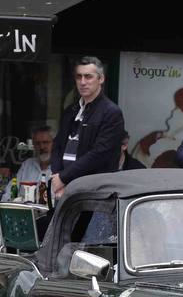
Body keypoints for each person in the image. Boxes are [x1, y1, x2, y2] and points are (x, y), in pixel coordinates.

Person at [50, 56, 126, 201]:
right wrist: (58, 178)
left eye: (88, 77)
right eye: (79, 77)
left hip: (93, 194)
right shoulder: (70, 111)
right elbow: (58, 146)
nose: (83, 82)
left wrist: (64, 178)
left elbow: (99, 154)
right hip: (64, 189)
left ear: (101, 79)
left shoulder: (111, 112)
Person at [3, 126, 55, 200]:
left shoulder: (60, 168)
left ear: (54, 143)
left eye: (45, 142)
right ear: (33, 145)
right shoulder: (27, 165)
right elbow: (10, 191)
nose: (42, 147)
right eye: (37, 143)